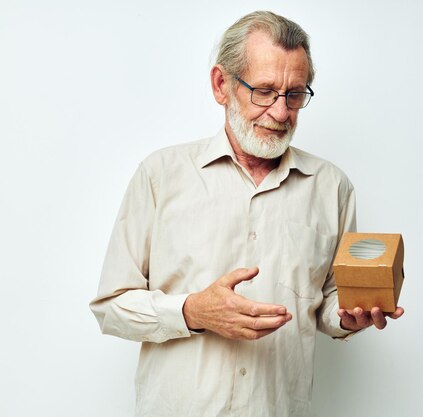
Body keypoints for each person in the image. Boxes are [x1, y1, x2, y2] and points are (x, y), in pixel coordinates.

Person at [90, 10, 403, 417]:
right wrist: (192, 311)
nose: (280, 112)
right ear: (222, 85)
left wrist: (349, 317)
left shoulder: (332, 187)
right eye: (264, 91)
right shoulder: (160, 175)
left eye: (294, 94)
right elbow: (111, 307)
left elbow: (326, 305)